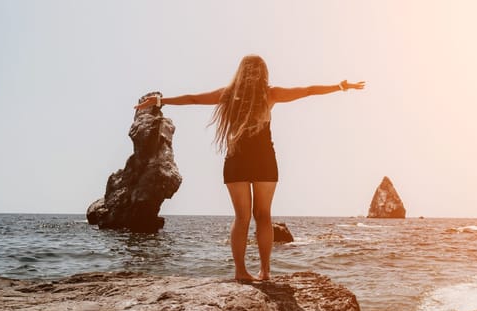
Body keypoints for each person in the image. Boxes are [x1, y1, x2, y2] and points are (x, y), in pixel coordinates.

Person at [135, 54, 365, 281]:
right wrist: (340, 86)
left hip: (237, 160)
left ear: (241, 72)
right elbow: (307, 91)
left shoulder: (228, 95)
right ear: (264, 73)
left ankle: (241, 272)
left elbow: (193, 99)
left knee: (242, 217)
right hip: (264, 160)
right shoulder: (270, 94)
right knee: (263, 216)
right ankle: (265, 271)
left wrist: (159, 101)